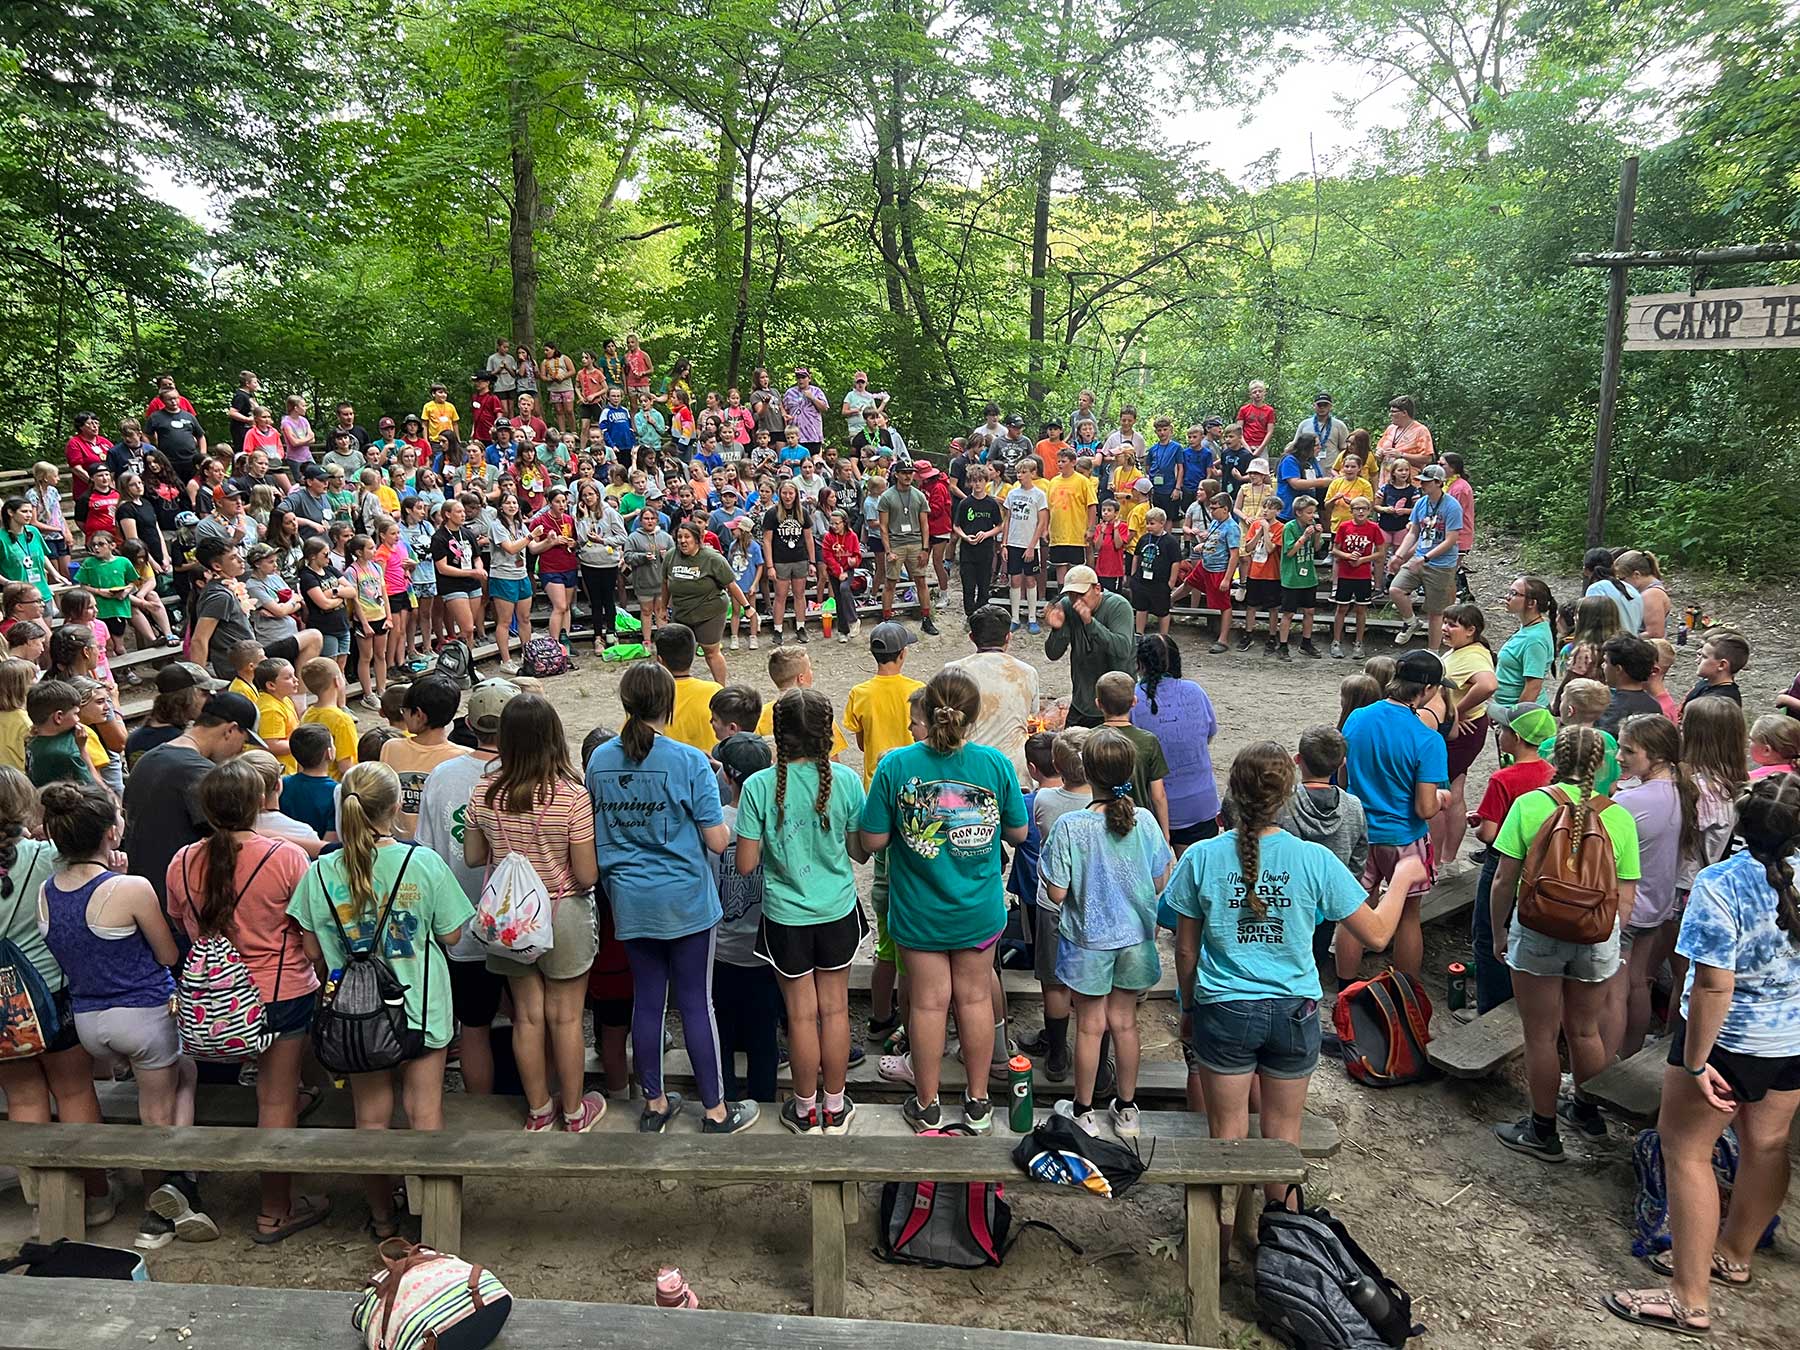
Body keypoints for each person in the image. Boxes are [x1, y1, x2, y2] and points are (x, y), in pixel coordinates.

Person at [1163, 743, 1424, 1209]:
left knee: (1226, 1137)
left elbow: (1186, 949)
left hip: (1223, 1009)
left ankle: (1221, 1240)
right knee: (1284, 1138)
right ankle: (1281, 1233)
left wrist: (1189, 1008)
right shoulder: (1313, 860)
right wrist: (1402, 876)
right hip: (1294, 1012)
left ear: (1232, 793)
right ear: (1288, 797)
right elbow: (1378, 933)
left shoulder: (1201, 857)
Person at [1606, 772, 1800, 1337]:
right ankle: (1734, 1253)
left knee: (1688, 1153)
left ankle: (1688, 1300)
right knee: (1768, 1143)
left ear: (1742, 824)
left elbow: (1714, 985)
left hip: (1729, 1042)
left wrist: (1695, 1062)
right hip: (1790, 1038)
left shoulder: (1721, 884)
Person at [286, 761, 472, 1239]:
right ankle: (432, 1221)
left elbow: (311, 951)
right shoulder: (422, 863)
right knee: (425, 1112)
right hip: (421, 1007)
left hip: (355, 1016)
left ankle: (383, 1217)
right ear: (395, 807)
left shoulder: (320, 873)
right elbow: (452, 935)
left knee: (370, 1119)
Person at [39, 780, 212, 1249]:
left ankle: (177, 1184)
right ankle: (164, 1204)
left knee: (179, 1075)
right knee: (159, 1108)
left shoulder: (47, 892)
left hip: (89, 1020)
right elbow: (166, 954)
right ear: (111, 833)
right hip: (143, 1014)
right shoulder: (132, 888)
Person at [588, 664, 758, 1134]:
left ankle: (655, 1102)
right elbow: (718, 841)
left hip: (629, 898)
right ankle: (716, 1110)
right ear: (669, 704)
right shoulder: (688, 760)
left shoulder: (600, 759)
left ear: (626, 702)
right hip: (686, 901)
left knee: (647, 1002)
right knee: (697, 1004)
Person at [860, 668, 1029, 1133]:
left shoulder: (895, 765)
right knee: (975, 1000)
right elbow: (1018, 832)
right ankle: (977, 1103)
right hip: (977, 910)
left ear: (927, 710)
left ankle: (928, 1104)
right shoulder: (994, 764)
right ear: (974, 716)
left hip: (919, 912)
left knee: (928, 1006)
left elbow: (872, 840)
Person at [165, 757, 325, 1243]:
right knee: (276, 1098)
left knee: (266, 1093)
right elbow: (308, 937)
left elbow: (183, 926)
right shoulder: (286, 858)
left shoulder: (181, 861)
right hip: (279, 993)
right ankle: (275, 1209)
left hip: (209, 999)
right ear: (260, 801)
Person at [1489, 725, 1640, 1160]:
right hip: (1596, 935)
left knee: (1540, 1034)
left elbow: (1503, 880)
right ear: (1603, 764)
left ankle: (1542, 1130)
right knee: (1584, 1029)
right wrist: (1607, 940)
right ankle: (1587, 1112)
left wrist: (1499, 930)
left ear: (1554, 758)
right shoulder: (1619, 817)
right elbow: (1626, 896)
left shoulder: (1530, 805)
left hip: (1538, 930)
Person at [464, 694, 605, 1133]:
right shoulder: (572, 796)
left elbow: (473, 856)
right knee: (566, 1017)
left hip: (508, 918)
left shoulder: (484, 792)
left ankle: (539, 1109)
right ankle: (575, 1112)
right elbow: (586, 874)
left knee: (526, 1016)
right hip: (562, 910)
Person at [737, 689, 870, 1134]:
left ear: (778, 734)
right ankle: (835, 1107)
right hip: (837, 910)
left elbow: (746, 864)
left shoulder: (758, 786)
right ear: (826, 732)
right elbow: (860, 852)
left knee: (800, 1016)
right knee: (835, 1011)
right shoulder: (846, 781)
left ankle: (804, 1109)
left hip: (786, 917)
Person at [1040, 728, 1172, 1135]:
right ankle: (1127, 1109)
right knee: (1125, 1023)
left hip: (1088, 942)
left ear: (1088, 773)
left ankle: (1083, 1111)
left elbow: (1057, 892)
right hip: (1135, 939)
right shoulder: (1145, 821)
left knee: (1090, 1025)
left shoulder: (1071, 826)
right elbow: (1159, 880)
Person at [0, 769, 115, 1229]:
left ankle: (43, 1201)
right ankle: (95, 1194)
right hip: (52, 992)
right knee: (74, 1090)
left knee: (23, 1095)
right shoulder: (48, 857)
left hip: (4, 1009)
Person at [415, 678, 519, 1096]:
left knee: (473, 1026)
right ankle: (539, 1100)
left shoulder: (443, 776)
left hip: (461, 922)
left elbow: (427, 850)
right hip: (523, 922)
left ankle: (480, 1112)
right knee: (530, 1018)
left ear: (471, 725)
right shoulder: (526, 773)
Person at [1339, 649, 1450, 981]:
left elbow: (1344, 776)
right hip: (1404, 838)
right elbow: (1424, 808)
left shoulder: (1357, 718)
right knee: (1408, 916)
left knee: (1356, 909)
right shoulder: (1427, 739)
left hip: (1361, 832)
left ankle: (1345, 986)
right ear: (1427, 689)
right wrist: (1443, 798)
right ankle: (1406, 991)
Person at [1608, 714, 1697, 1059]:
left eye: (1629, 751)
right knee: (1638, 982)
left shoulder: (1629, 803)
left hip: (1626, 908)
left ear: (1657, 756)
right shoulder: (1682, 790)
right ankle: (1630, 1052)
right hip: (1657, 904)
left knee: (1615, 992)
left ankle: (1608, 1065)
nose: (1619, 757)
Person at [1467, 706, 1557, 1013]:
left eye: (1503, 728)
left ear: (1516, 738)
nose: (1498, 731)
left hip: (1504, 863)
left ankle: (1490, 1007)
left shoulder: (1503, 778)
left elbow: (1488, 834)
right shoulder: (1551, 772)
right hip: (1541, 865)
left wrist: (1480, 825)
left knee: (1488, 936)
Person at [712, 732, 781, 1104]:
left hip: (721, 950)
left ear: (727, 777)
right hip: (766, 950)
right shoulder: (778, 821)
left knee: (721, 1032)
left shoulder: (714, 824)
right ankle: (764, 1102)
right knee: (764, 1036)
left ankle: (724, 1100)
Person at [1131, 634, 1219, 848]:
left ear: (1140, 663)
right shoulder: (1195, 691)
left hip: (1153, 809)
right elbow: (1209, 733)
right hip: (1201, 805)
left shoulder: (1133, 698)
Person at [945, 604, 1040, 790]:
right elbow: (1033, 713)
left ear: (972, 637)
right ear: (1008, 637)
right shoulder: (1027, 672)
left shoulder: (952, 671)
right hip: (1013, 771)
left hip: (966, 770)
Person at [1435, 603, 1498, 865]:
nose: (1445, 628)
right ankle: (1447, 856)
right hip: (1464, 729)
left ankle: (1439, 857)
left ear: (1471, 630)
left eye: (1452, 625)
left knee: (1440, 793)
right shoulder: (1466, 650)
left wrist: (1455, 713)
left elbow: (1488, 685)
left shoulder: (1473, 655)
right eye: (1445, 623)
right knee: (1455, 790)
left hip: (1462, 732)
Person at [1043, 565, 1136, 728]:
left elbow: (1122, 649)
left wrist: (1090, 623)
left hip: (1116, 704)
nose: (1077, 601)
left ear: (1097, 589)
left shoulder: (1118, 606)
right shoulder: (1067, 606)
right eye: (1072, 595)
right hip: (1082, 701)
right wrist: (1057, 630)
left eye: (1081, 594)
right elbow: (1053, 654)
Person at [380, 676, 467, 840]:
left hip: (398, 845)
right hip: (440, 845)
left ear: (419, 715)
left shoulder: (391, 748)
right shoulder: (464, 756)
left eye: (404, 711)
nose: (404, 715)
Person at [663, 521, 749, 684]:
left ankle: (721, 688)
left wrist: (747, 607)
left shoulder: (712, 558)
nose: (682, 541)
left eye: (687, 537)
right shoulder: (671, 556)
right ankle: (679, 687)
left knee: (710, 651)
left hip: (709, 611)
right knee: (678, 652)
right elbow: (665, 583)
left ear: (697, 539)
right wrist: (663, 607)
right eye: (679, 537)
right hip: (681, 611)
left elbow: (731, 584)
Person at [1387, 464, 1463, 648]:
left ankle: (1433, 651)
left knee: (1436, 613)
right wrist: (1399, 555)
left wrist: (1426, 558)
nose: (1422, 484)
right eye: (1421, 481)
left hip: (1441, 564)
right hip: (1419, 557)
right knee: (1396, 589)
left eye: (1426, 482)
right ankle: (1411, 622)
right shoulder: (1421, 503)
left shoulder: (1452, 506)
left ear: (1438, 482)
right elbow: (1413, 532)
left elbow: (1451, 539)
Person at [877, 459, 937, 635]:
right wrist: (888, 551)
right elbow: (883, 526)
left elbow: (925, 524)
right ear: (896, 474)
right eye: (904, 473)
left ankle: (926, 618)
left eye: (910, 473)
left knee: (921, 580)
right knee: (890, 582)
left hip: (915, 542)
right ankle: (886, 620)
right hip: (896, 543)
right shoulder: (887, 496)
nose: (908, 476)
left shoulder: (919, 496)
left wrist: (925, 549)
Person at [574, 480, 627, 655]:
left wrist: (603, 540)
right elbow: (582, 538)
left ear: (598, 494)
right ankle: (597, 636)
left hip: (608, 562)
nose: (588, 498)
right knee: (595, 601)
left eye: (591, 494)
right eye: (584, 495)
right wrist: (585, 517)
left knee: (608, 599)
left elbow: (622, 537)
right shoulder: (579, 514)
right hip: (589, 563)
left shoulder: (610, 512)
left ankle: (611, 632)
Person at [1493, 576, 1558, 716]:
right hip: (1507, 710)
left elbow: (1533, 687)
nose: (1507, 597)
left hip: (1522, 716)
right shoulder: (1529, 628)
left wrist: (1516, 720)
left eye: (1514, 593)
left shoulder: (1534, 639)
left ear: (1531, 603)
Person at [1329, 496, 1382, 660]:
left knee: (1361, 609)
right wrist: (1347, 556)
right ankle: (1336, 641)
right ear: (1351, 511)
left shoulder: (1374, 528)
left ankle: (1359, 642)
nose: (1360, 511)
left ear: (1369, 511)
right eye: (1357, 508)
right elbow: (1334, 550)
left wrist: (1362, 560)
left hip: (1363, 575)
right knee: (1342, 608)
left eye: (1364, 509)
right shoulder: (1344, 527)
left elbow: (1380, 553)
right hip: (1345, 574)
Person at [1002, 456, 1049, 634]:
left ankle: (1032, 617)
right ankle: (1014, 617)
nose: (1020, 475)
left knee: (1030, 579)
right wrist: (1004, 543)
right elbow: (1007, 519)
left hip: (1030, 544)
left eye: (1023, 472)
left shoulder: (1039, 495)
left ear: (1032, 473)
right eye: (1018, 472)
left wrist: (1032, 546)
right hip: (1013, 542)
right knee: (1015, 579)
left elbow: (1042, 522)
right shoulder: (1012, 494)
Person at [1276, 495, 1323, 660]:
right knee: (1288, 613)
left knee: (1309, 611)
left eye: (1313, 512)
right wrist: (1303, 537)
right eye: (1309, 512)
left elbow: (1316, 548)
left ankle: (1306, 643)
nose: (1312, 516)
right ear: (1298, 512)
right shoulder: (1289, 527)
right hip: (1292, 577)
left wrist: (1317, 535)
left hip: (1308, 576)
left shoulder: (1312, 525)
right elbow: (1289, 552)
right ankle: (1282, 646)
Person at [1597, 633, 1664, 737]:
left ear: (1618, 669)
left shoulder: (1608, 709)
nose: (1602, 666)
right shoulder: (1654, 706)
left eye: (1606, 662)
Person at [1583, 547, 1643, 634]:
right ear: (1613, 566)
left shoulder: (1596, 589)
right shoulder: (1630, 589)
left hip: (1609, 641)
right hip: (1632, 640)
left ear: (1585, 570)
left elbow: (1593, 624)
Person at [1684, 629, 1748, 710]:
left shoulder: (1720, 704)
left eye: (1704, 657)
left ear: (1722, 665)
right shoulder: (1706, 683)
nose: (1697, 660)